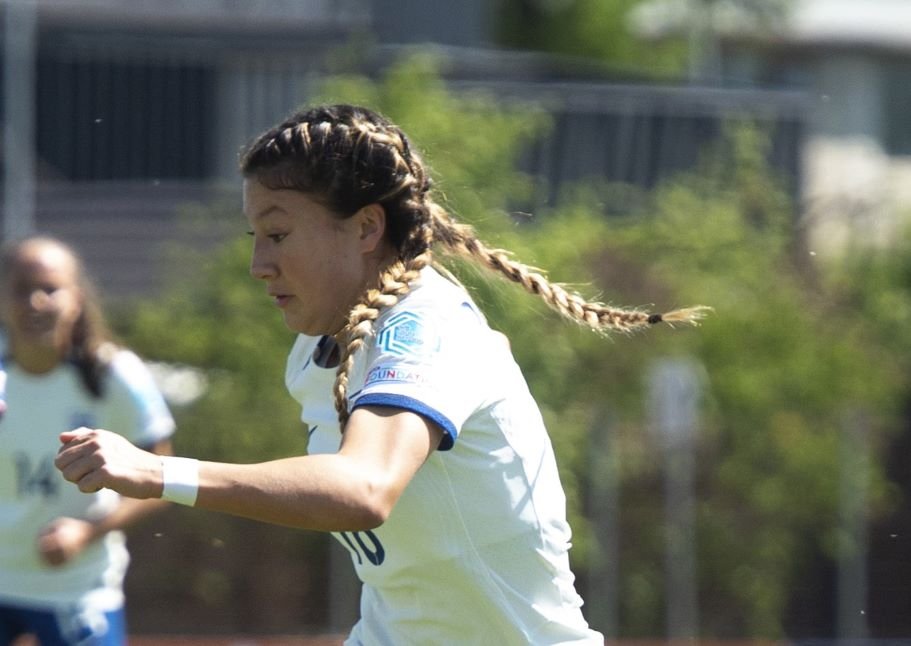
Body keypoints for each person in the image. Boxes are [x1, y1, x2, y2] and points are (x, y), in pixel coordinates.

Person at [55, 104, 708, 645]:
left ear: (366, 228)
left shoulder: (426, 328)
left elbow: (364, 488)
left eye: (277, 235)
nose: (257, 264)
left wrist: (158, 473)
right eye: (254, 236)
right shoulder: (322, 348)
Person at [0, 236, 176, 646]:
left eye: (49, 289)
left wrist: (85, 532)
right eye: (21, 290)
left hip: (78, 586)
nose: (35, 302)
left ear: (76, 298)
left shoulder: (115, 376)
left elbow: (164, 479)